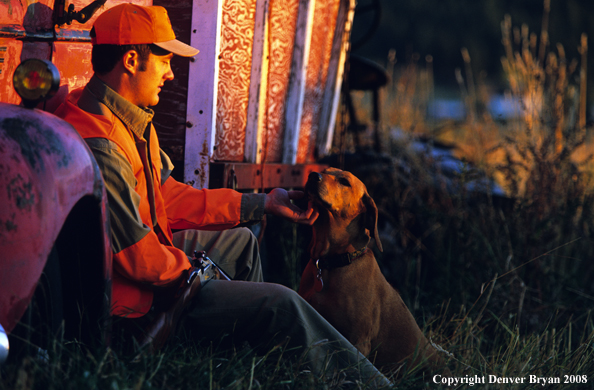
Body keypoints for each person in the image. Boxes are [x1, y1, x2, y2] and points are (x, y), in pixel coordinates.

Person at [55, 4, 390, 387]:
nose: (170, 72)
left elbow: (167, 198)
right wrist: (192, 271)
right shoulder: (103, 144)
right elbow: (136, 260)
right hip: (134, 311)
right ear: (131, 60)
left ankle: (250, 369)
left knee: (241, 243)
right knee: (282, 304)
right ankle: (371, 384)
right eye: (164, 60)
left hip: (149, 275)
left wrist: (260, 203)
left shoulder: (121, 116)